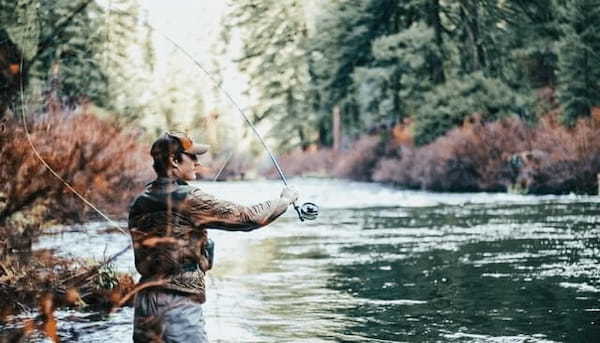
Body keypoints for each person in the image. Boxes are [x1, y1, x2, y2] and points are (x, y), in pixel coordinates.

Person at [128, 131, 298, 342]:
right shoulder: (189, 198)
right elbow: (249, 218)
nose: (197, 163)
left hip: (144, 304)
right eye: (192, 157)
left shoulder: (139, 202)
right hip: (178, 306)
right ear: (173, 160)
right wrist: (284, 200)